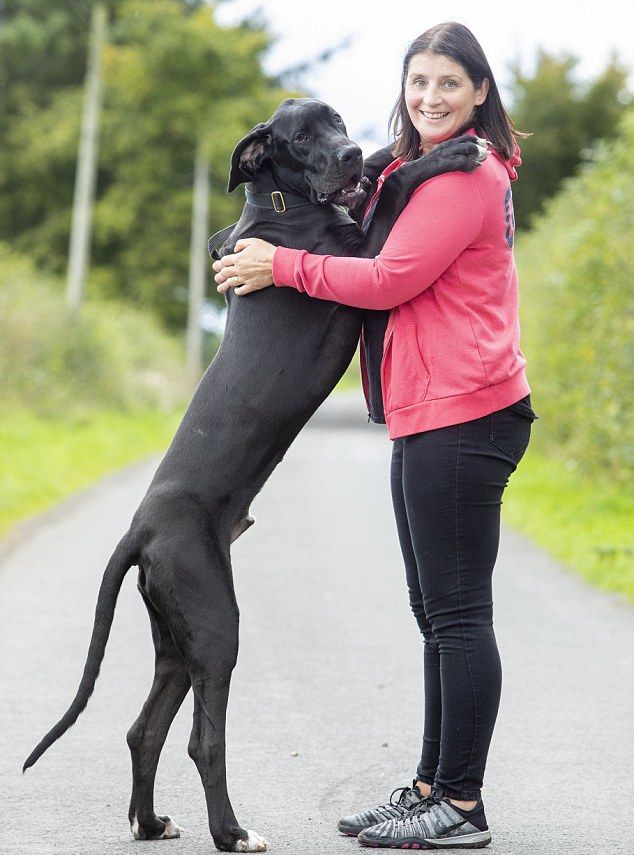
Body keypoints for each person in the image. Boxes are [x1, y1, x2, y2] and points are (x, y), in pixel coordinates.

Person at [214, 21, 537, 851]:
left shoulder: (467, 173)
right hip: (430, 409)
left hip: (467, 412)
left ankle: (460, 805)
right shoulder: (409, 168)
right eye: (418, 81)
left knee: (459, 616)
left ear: (480, 94)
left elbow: (390, 279)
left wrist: (276, 266)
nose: (430, 97)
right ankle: (431, 784)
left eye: (448, 84)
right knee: (435, 615)